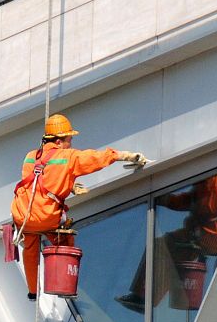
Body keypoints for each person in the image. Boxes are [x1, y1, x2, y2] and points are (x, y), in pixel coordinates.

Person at [11, 113, 149, 299]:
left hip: (22, 216)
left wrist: (70, 185)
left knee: (30, 248)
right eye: (69, 139)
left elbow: (38, 181)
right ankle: (62, 285)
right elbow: (95, 158)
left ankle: (33, 292)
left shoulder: (30, 157)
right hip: (45, 217)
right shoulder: (68, 157)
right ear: (59, 141)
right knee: (65, 241)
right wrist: (125, 156)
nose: (71, 143)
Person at [116, 172, 217, 312]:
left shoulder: (212, 177)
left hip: (207, 234)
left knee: (162, 246)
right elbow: (195, 201)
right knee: (171, 248)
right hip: (214, 234)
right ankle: (148, 297)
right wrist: (165, 200)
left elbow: (205, 204)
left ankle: (143, 298)